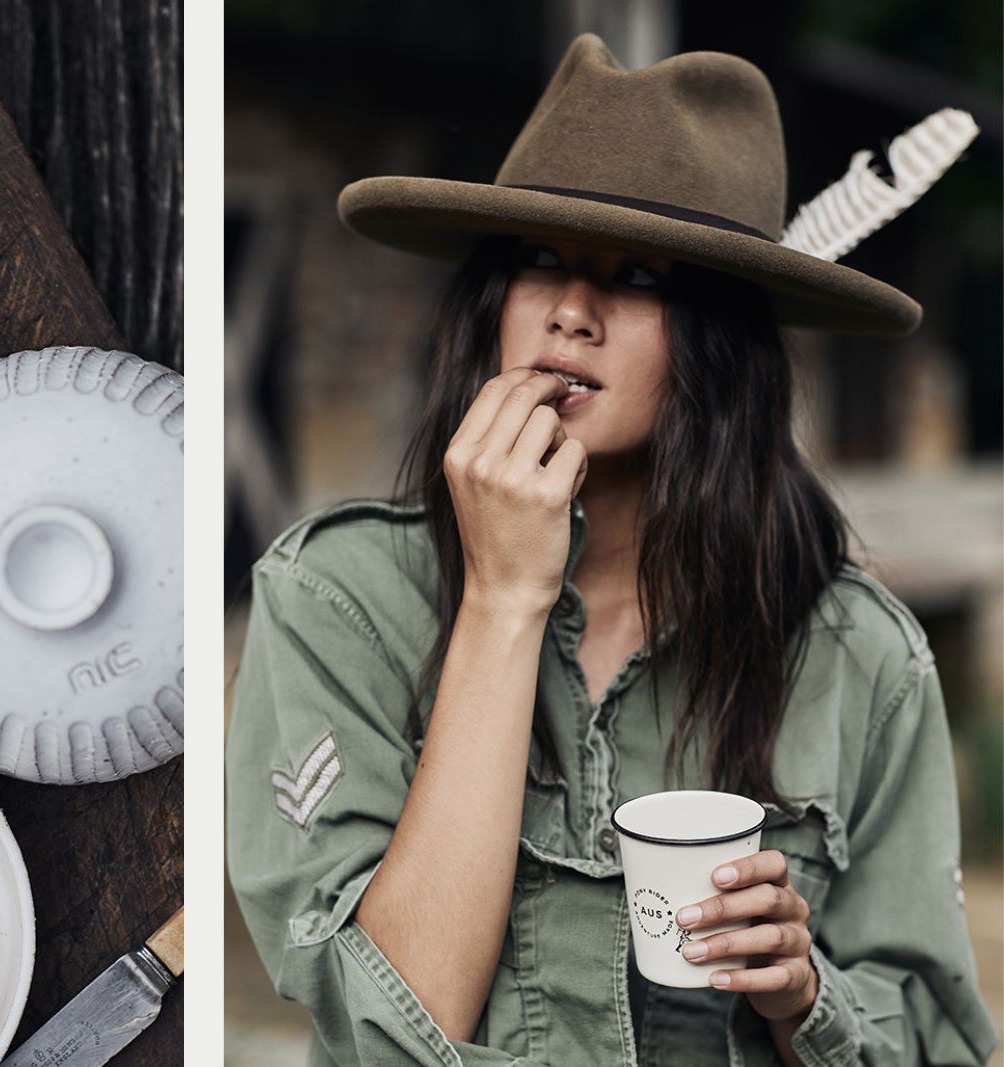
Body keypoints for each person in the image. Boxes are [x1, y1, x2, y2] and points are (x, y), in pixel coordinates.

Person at [225, 34, 999, 1067]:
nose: (570, 313)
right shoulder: (337, 599)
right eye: (538, 261)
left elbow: (935, 1039)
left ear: (720, 345)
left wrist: (803, 992)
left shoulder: (857, 653)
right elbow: (389, 1033)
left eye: (635, 277)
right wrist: (502, 598)